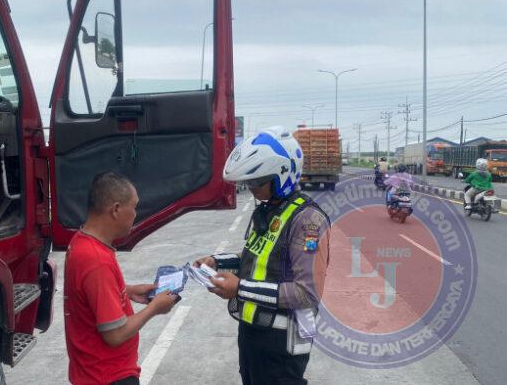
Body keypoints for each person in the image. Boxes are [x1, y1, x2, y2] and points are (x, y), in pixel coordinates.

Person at [195, 126, 330, 385]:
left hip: (281, 346)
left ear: (283, 175)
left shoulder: (308, 221)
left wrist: (240, 289)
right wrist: (216, 261)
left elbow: (306, 292)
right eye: (249, 181)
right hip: (253, 335)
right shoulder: (271, 211)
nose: (251, 187)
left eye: (257, 181)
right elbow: (256, 257)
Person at [64, 172, 179, 385]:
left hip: (93, 372)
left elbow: (88, 292)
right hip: (108, 376)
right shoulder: (96, 259)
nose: (136, 214)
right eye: (134, 207)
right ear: (116, 209)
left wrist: (128, 290)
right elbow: (115, 334)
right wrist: (155, 308)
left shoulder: (81, 241)